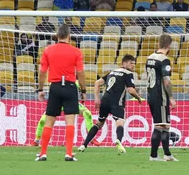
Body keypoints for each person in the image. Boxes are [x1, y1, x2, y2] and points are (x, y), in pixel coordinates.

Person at [36, 24, 86, 161]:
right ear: (69, 36)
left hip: (55, 87)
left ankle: (43, 153)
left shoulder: (48, 50)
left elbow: (42, 72)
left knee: (49, 121)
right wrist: (83, 90)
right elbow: (80, 73)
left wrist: (40, 89)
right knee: (70, 122)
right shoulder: (76, 51)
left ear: (56, 36)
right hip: (70, 87)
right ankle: (68, 153)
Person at [78, 55, 141, 153]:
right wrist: (138, 98)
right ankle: (119, 141)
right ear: (124, 63)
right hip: (117, 102)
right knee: (120, 122)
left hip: (105, 101)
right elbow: (131, 90)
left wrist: (97, 98)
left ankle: (84, 144)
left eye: (134, 63)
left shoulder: (112, 72)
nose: (133, 65)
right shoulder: (128, 74)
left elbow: (97, 83)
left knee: (99, 124)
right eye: (131, 63)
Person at [146, 34, 178, 161]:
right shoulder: (164, 60)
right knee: (161, 126)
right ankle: (153, 155)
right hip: (161, 96)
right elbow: (166, 81)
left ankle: (167, 154)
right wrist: (171, 97)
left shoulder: (150, 58)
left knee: (163, 125)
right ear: (169, 45)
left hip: (150, 95)